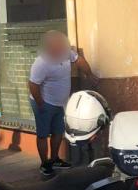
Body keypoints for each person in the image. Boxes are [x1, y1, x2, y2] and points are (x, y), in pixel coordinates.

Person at [28, 30, 97, 177]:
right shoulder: (41, 63)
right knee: (43, 134)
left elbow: (79, 61)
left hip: (59, 104)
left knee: (58, 132)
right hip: (43, 103)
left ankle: (55, 159)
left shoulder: (66, 54)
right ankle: (45, 164)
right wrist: (41, 104)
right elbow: (33, 85)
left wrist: (89, 74)